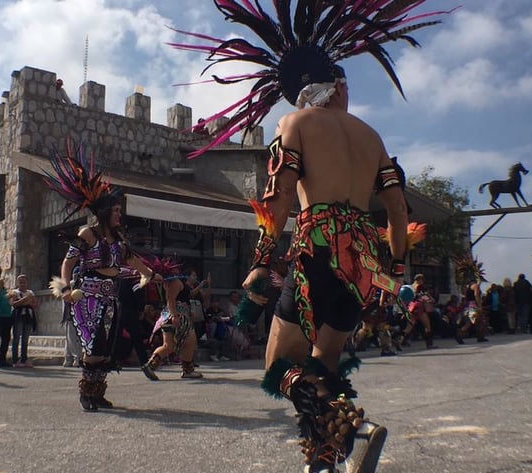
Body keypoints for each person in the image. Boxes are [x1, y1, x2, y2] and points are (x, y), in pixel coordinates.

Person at [169, 3, 452, 470]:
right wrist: (396, 269)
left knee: (279, 367)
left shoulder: (295, 124)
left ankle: (355, 431)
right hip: (362, 265)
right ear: (337, 87)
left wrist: (261, 258)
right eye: (346, 87)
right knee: (324, 365)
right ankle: (324, 457)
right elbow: (398, 209)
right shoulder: (372, 137)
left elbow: (278, 197)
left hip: (317, 253)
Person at [44, 139, 160, 412]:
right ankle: (86, 393)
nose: (120, 215)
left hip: (111, 298)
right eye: (116, 211)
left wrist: (150, 274)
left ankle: (97, 393)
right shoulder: (89, 234)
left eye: (120, 210)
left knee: (108, 347)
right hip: (87, 297)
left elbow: (132, 260)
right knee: (94, 345)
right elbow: (69, 261)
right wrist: (65, 288)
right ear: (105, 212)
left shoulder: (119, 240)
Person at [141, 258, 205, 381]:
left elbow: (185, 295)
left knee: (169, 345)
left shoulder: (170, 282)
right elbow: (171, 300)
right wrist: (175, 315)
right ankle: (187, 370)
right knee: (190, 341)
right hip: (177, 315)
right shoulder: (174, 282)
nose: (176, 268)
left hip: (170, 315)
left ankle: (150, 365)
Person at [10, 274, 38, 368]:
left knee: (25, 339)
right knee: (16, 338)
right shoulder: (14, 292)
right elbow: (14, 304)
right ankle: (15, 360)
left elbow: (34, 304)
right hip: (18, 316)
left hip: (28, 316)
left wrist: (26, 302)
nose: (22, 284)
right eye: (20, 282)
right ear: (17, 283)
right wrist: (25, 300)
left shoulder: (30, 292)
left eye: (24, 282)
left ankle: (24, 359)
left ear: (27, 283)